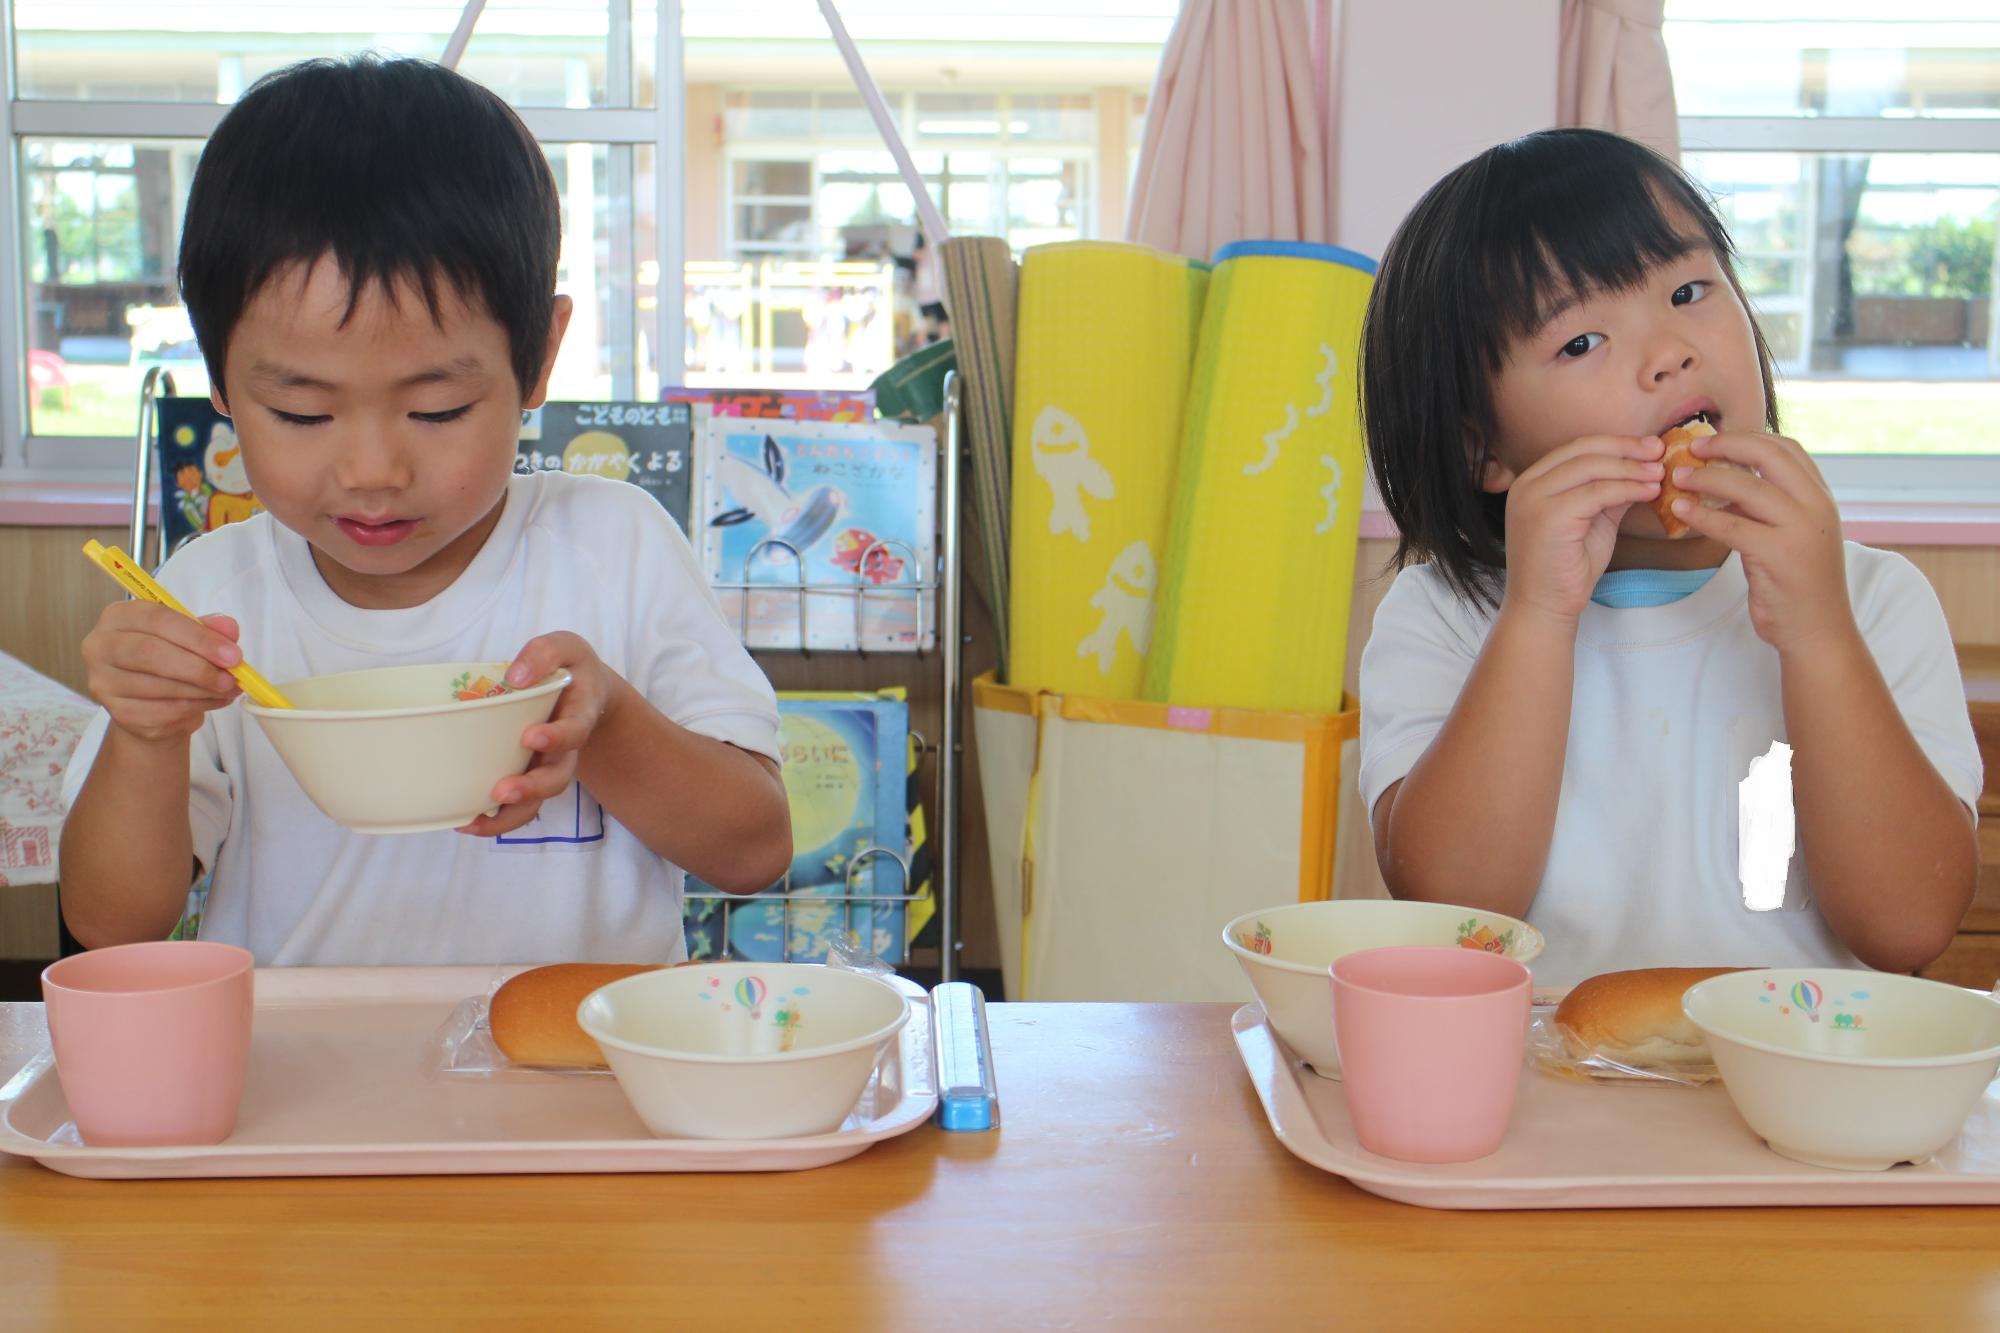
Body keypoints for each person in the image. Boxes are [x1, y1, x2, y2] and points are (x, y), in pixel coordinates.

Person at [60, 55, 791, 965]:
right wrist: (145, 734)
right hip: (301, 1092)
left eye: (437, 410)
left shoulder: (617, 546)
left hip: (577, 1086)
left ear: (540, 356)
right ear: (219, 379)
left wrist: (608, 726)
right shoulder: (208, 597)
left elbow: (756, 850)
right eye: (302, 413)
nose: (371, 470)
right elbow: (110, 925)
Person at [1356, 128, 1981, 986]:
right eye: (1581, 342)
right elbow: (1458, 912)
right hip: (1545, 1096)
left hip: (1802, 1091)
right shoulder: (1447, 618)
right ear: (1481, 449)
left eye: (1690, 290)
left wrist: (1820, 634)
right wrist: (1539, 613)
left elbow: (1909, 925)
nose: (1671, 353)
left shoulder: (1871, 601)